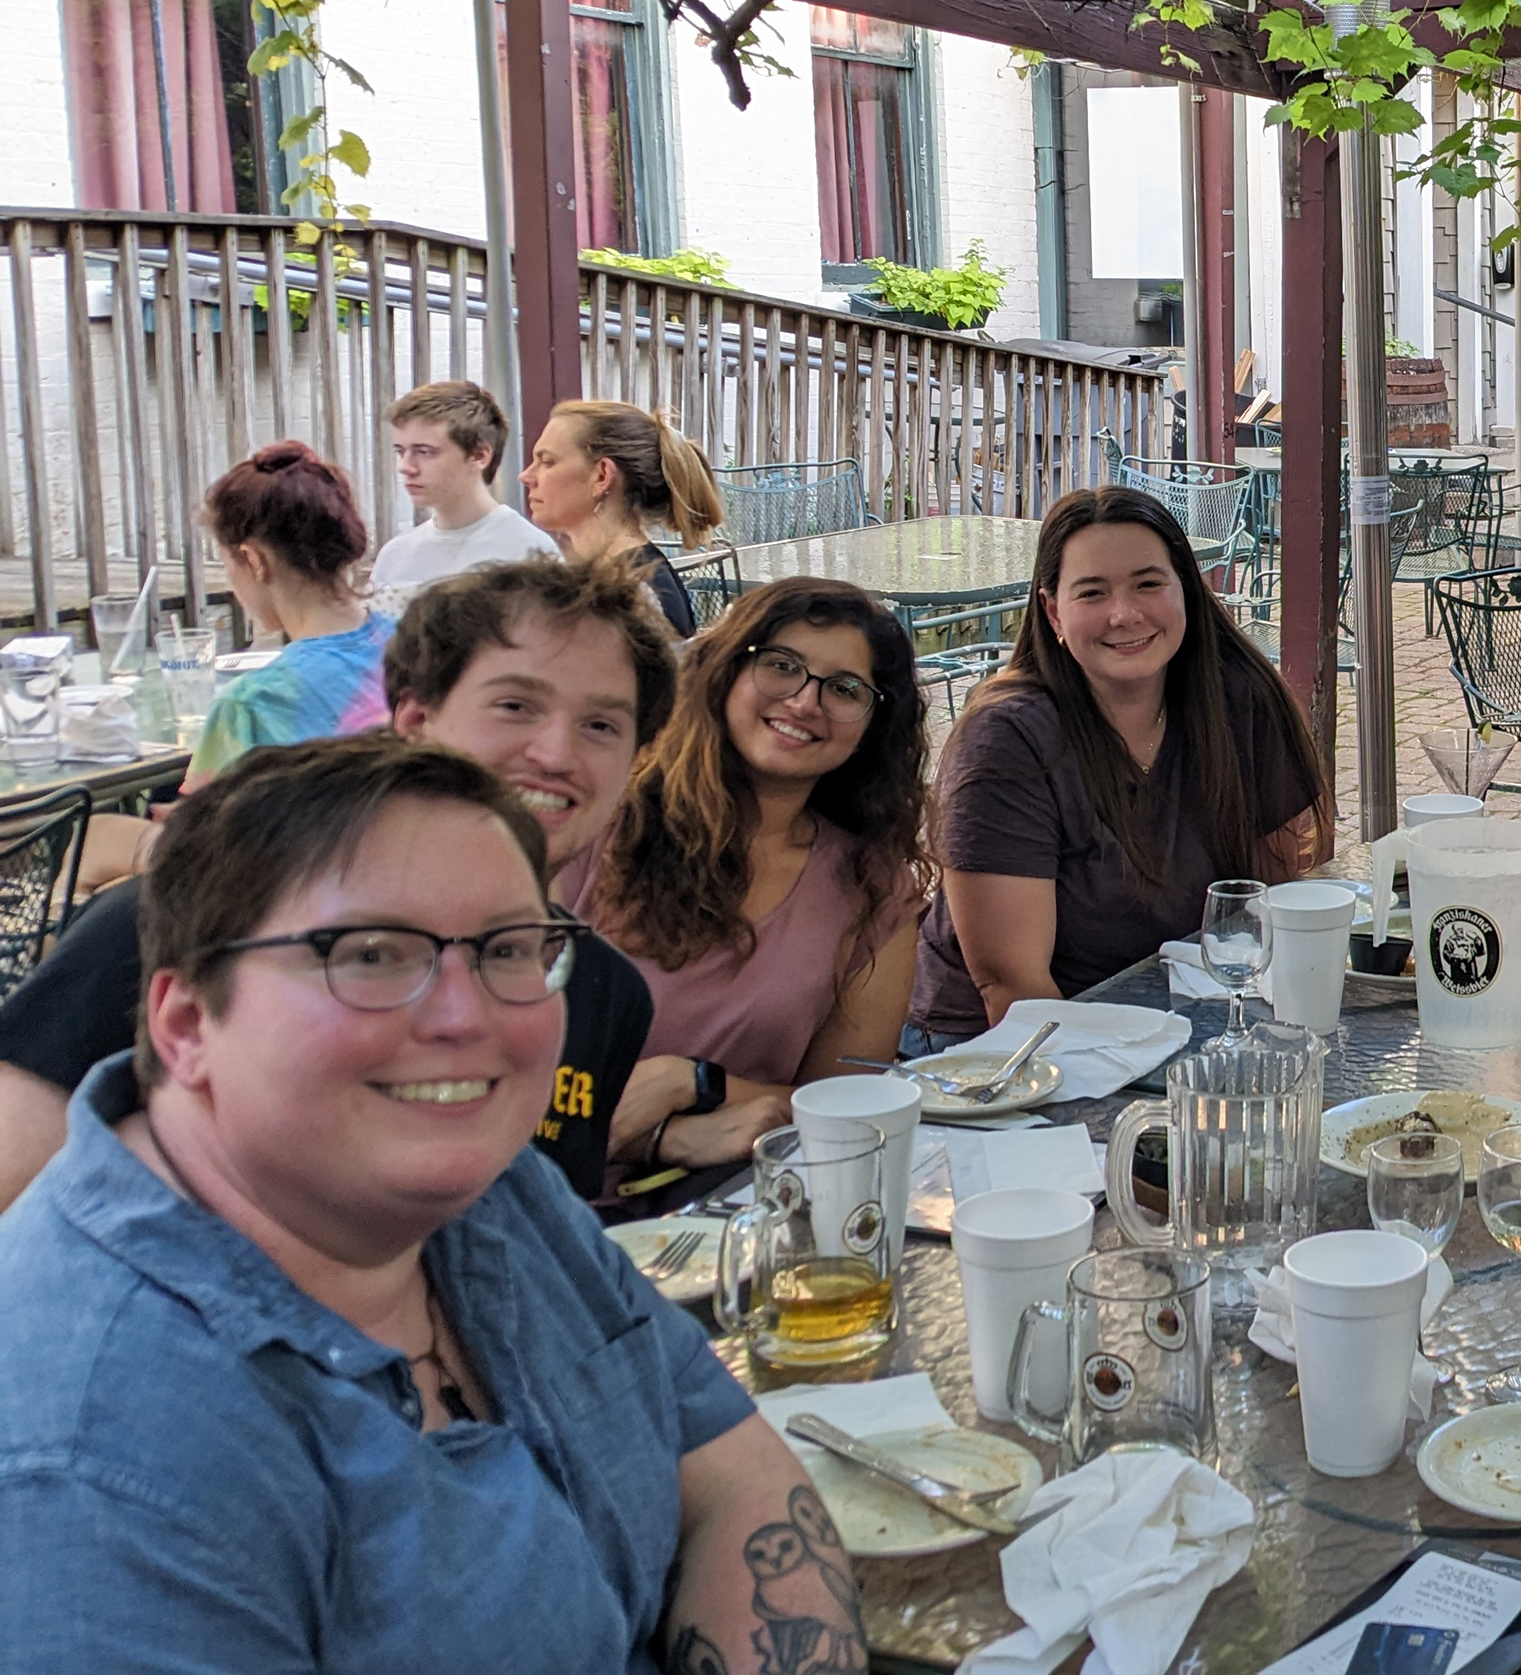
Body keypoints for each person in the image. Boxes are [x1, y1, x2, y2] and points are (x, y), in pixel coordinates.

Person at [0, 737, 858, 1669]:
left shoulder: (494, 1193)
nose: (466, 1017)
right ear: (187, 1023)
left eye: (511, 949)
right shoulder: (102, 1466)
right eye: (370, 954)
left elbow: (736, 1480)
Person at [0, 557, 683, 1207]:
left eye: (600, 724)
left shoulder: (601, 994)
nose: (556, 753)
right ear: (416, 718)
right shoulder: (183, 923)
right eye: (514, 706)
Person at [912, 485, 1328, 1044]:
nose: (1124, 614)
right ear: (1053, 612)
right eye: (1091, 593)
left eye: (1148, 583)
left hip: (1176, 1016)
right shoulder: (1008, 738)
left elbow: (1270, 914)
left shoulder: (1239, 699)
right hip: (999, 1057)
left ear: (1188, 591)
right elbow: (1011, 991)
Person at [579, 578, 932, 1111]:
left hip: (751, 1186)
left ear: (873, 725)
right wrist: (666, 1139)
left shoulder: (873, 887)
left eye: (844, 689)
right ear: (726, 672)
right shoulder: (593, 828)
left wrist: (693, 1085)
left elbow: (846, 1108)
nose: (805, 701)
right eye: (782, 665)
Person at [188, 440, 393, 788]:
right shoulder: (419, 647)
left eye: (226, 564)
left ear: (254, 561)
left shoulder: (252, 704)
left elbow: (195, 834)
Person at [521, 397, 726, 637]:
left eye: (547, 461)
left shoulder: (632, 594)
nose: (526, 475)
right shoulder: (613, 577)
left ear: (602, 476)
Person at [365, 380, 559, 614]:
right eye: (401, 451)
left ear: (479, 456)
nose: (405, 467)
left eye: (424, 452)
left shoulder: (528, 552)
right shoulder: (395, 555)